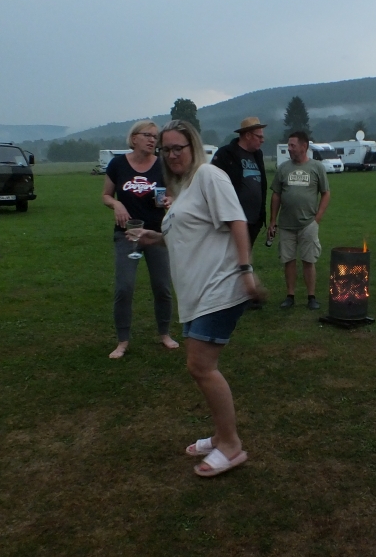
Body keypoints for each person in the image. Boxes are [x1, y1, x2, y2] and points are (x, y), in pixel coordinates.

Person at [128, 120, 263, 477]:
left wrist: (246, 270)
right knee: (200, 366)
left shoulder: (208, 175)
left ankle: (231, 445)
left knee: (201, 366)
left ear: (194, 147)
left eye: (179, 148)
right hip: (197, 291)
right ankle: (220, 436)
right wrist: (156, 237)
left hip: (220, 286)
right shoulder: (185, 186)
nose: (172, 155)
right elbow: (191, 231)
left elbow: (237, 221)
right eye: (166, 149)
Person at [102, 120, 178, 358]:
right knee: (124, 288)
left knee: (162, 287)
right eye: (148, 135)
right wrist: (116, 204)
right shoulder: (117, 164)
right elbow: (106, 195)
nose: (152, 140)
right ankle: (122, 341)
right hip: (127, 234)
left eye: (155, 136)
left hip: (156, 234)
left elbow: (172, 194)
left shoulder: (162, 165)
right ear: (134, 138)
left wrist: (169, 200)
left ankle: (164, 333)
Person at [267, 130, 330, 310]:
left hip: (308, 223)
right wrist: (273, 220)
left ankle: (311, 297)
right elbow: (276, 195)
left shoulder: (317, 167)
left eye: (292, 145)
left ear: (304, 146)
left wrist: (317, 218)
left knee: (309, 260)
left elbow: (326, 193)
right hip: (286, 224)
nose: (289, 148)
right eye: (289, 145)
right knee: (288, 260)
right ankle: (290, 296)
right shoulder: (283, 168)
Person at [211, 117, 268, 246]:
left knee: (245, 254)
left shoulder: (258, 155)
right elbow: (212, 184)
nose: (262, 140)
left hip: (254, 221)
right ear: (248, 135)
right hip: (231, 221)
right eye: (259, 137)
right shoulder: (226, 154)